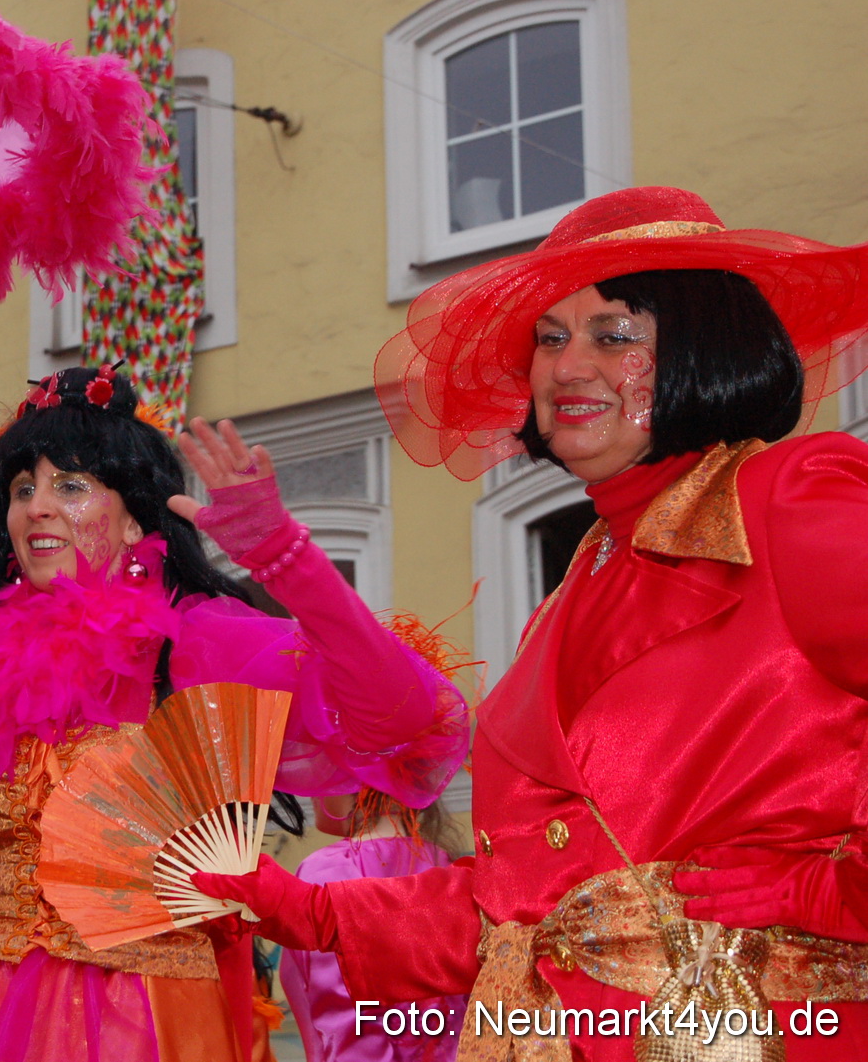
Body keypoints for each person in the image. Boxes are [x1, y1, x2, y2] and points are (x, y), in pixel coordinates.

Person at [196, 187, 868, 1059]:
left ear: (707, 343)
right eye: (550, 338)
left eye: (613, 334)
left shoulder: (787, 499)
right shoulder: (564, 598)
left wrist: (834, 894)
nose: (568, 366)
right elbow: (529, 909)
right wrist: (303, 907)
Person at [0, 358, 469, 1062]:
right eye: (22, 488)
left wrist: (286, 557)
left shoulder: (197, 644)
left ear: (137, 521)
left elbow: (408, 718)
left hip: (142, 1024)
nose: (37, 506)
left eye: (71, 485)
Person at [277, 790, 465, 1062]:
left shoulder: (326, 873)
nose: (312, 794)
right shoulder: (449, 868)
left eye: (325, 777)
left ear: (353, 783)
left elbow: (345, 1017)